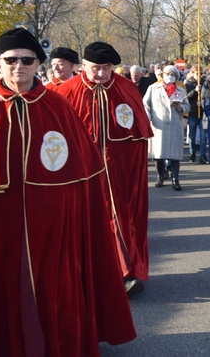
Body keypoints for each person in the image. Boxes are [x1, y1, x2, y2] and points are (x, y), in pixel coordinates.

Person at [0, 29, 136, 355]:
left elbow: (86, 177)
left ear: (37, 63)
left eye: (27, 60)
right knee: (0, 291)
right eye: (10, 61)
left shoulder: (58, 106)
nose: (19, 67)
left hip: (53, 229)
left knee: (54, 291)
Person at [57, 42, 154, 297]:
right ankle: (88, 277)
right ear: (83, 67)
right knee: (85, 224)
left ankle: (127, 272)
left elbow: (139, 138)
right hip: (82, 176)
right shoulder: (66, 92)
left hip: (119, 177)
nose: (101, 74)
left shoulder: (126, 89)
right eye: (95, 68)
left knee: (122, 220)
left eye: (106, 68)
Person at [143, 65, 191, 191]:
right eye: (167, 73)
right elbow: (145, 105)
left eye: (173, 74)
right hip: (158, 125)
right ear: (162, 74)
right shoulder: (153, 88)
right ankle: (160, 176)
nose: (169, 76)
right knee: (159, 154)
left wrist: (181, 108)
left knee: (175, 155)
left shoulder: (180, 90)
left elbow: (187, 106)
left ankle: (175, 179)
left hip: (175, 123)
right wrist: (148, 118)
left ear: (176, 76)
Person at [185, 67, 208, 163]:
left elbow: (208, 95)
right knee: (192, 135)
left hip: (202, 113)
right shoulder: (188, 84)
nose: (199, 76)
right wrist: (195, 90)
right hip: (193, 112)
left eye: (200, 73)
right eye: (196, 73)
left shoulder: (205, 83)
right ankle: (192, 153)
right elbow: (186, 97)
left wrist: (202, 103)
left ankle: (202, 156)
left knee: (203, 136)